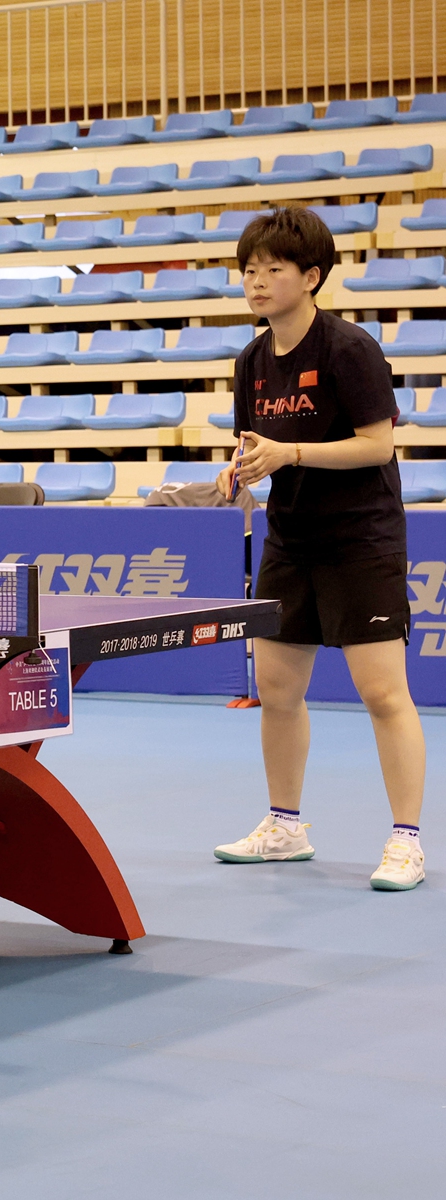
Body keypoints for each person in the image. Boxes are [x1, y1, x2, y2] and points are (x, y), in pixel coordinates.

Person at [211, 207, 424, 890]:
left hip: (360, 540)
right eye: (249, 270)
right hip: (290, 541)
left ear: (311, 277)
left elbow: (378, 444)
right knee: (276, 690)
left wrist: (291, 452)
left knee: (383, 692)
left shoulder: (348, 349)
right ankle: (283, 825)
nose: (257, 281)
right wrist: (236, 469)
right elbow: (255, 450)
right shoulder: (250, 360)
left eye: (273, 269)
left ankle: (406, 840)